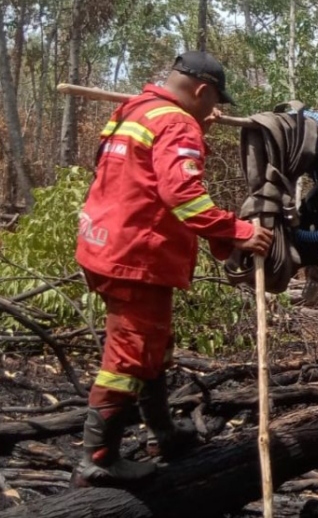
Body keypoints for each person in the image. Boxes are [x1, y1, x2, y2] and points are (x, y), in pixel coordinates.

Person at [73, 51, 274, 487]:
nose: (213, 110)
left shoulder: (135, 111)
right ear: (202, 91)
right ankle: (97, 461)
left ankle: (164, 435)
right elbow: (184, 197)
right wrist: (237, 230)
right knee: (127, 359)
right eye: (213, 100)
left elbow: (129, 172)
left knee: (153, 346)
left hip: (103, 242)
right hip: (136, 256)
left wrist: (195, 122)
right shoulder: (176, 123)